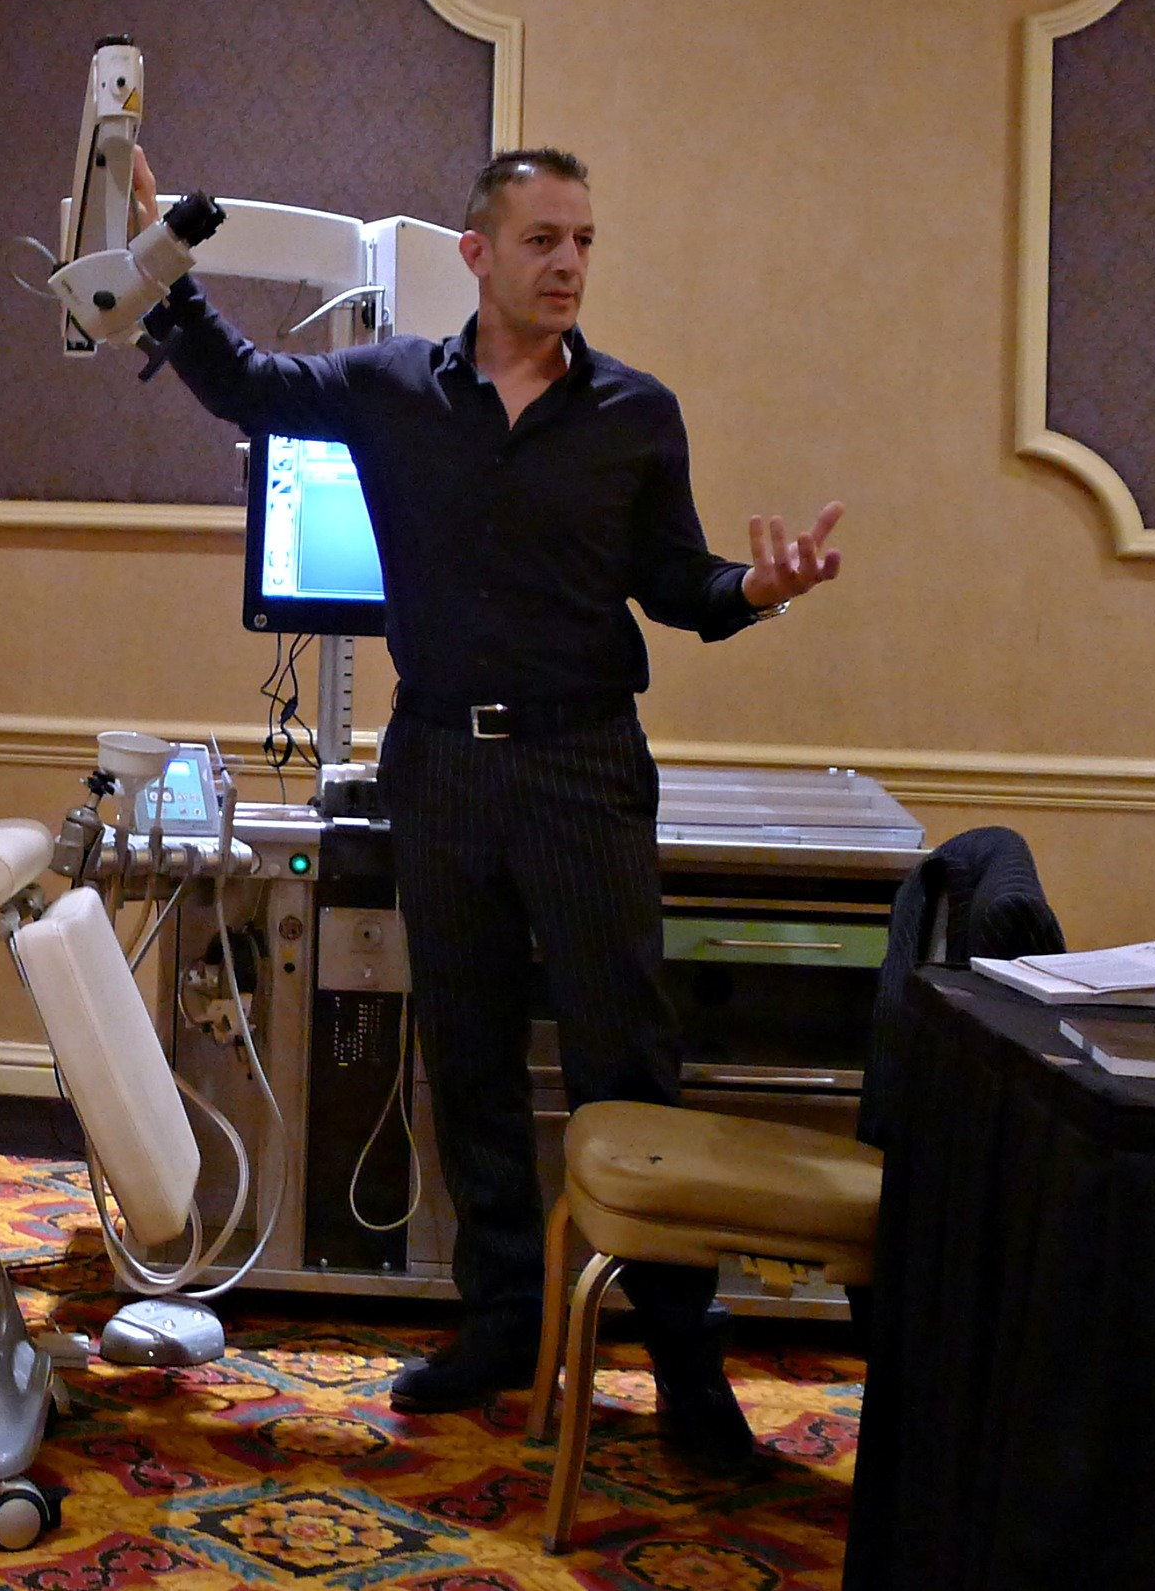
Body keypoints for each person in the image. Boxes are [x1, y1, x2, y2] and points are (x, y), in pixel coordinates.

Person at [131, 145, 842, 1466]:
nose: (568, 264)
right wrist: (159, 264)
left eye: (583, 242)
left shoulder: (634, 413)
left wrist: (756, 590)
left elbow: (676, 585)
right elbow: (246, 385)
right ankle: (503, 1322)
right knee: (466, 1056)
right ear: (476, 252)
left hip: (582, 768)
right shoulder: (392, 386)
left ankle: (686, 1370)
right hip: (442, 766)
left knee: (627, 1067)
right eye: (542, 240)